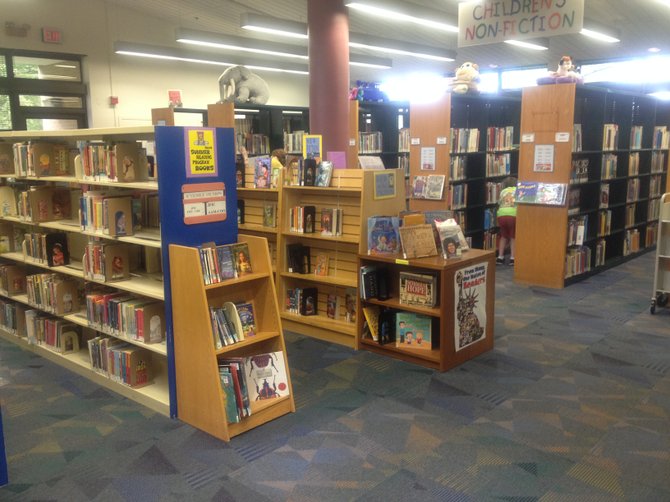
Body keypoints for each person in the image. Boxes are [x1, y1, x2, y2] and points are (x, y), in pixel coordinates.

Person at [496, 176, 517, 265]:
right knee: (513, 237)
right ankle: (512, 258)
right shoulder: (518, 190)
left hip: (501, 215)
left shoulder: (503, 192)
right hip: (513, 215)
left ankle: (500, 257)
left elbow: (499, 203)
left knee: (503, 236)